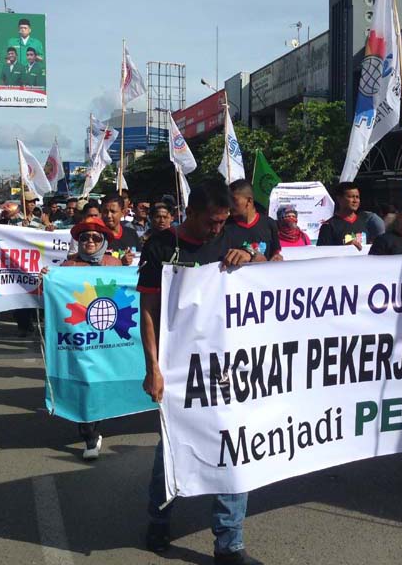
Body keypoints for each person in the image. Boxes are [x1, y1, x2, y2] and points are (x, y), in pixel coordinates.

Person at [138, 179, 265, 564]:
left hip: (228, 367)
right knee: (174, 449)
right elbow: (148, 311)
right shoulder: (161, 245)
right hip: (180, 369)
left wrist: (251, 258)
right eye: (211, 221)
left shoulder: (229, 239)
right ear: (190, 213)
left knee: (234, 449)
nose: (217, 229)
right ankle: (158, 520)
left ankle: (230, 542)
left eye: (223, 221)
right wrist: (153, 368)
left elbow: (269, 271)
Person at [55, 217, 122, 459]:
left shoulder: (115, 265)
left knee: (101, 382)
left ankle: (94, 424)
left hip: (108, 335)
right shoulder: (67, 267)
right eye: (84, 238)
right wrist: (46, 279)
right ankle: (89, 434)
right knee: (83, 382)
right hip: (80, 337)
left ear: (104, 241)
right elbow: (50, 296)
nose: (90, 241)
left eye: (96, 237)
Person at [226, 180, 282, 261]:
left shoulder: (270, 224)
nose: (230, 204)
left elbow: (275, 253)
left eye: (233, 200)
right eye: (228, 200)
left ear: (249, 201)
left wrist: (277, 258)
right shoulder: (225, 226)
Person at [316, 182, 368, 249]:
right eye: (350, 197)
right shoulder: (329, 226)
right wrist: (344, 248)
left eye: (357, 197)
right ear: (339, 199)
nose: (355, 200)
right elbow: (322, 253)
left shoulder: (365, 222)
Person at [100, 194, 139, 265]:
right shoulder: (96, 236)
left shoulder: (131, 233)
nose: (109, 215)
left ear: (123, 212)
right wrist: (120, 262)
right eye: (105, 212)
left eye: (113, 212)